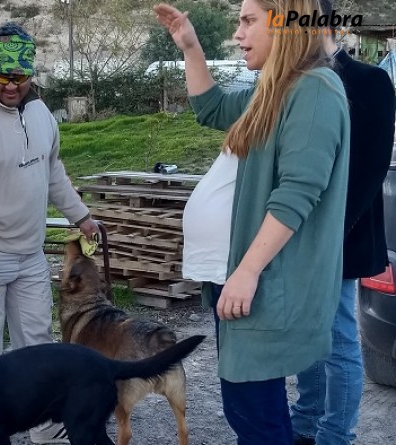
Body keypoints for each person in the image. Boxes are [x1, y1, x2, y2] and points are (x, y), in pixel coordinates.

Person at [156, 0, 351, 443]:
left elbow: (298, 192)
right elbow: (212, 109)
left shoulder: (315, 91)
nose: (238, 34)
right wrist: (190, 47)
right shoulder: (275, 89)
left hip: (262, 282)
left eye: (248, 21)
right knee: (247, 409)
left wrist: (246, 272)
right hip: (240, 278)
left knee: (256, 415)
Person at [0, 22, 98, 444]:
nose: (10, 86)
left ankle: (44, 428)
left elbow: (53, 171)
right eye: (1, 76)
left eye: (19, 76)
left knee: (38, 346)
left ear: (31, 71)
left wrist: (82, 217)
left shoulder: (41, 112)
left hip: (30, 255)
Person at [290, 1, 396, 444]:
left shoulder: (370, 82)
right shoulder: (293, 81)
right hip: (295, 233)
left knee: (337, 338)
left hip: (342, 236)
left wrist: (327, 237)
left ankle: (335, 435)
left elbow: (371, 169)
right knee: (305, 333)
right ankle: (305, 421)